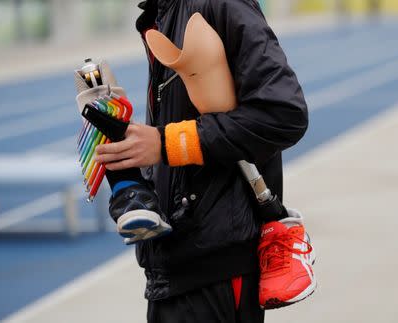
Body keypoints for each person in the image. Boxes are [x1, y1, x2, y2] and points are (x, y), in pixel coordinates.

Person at [95, 0, 314, 321]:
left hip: (216, 271)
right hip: (175, 268)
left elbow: (283, 113)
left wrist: (166, 143)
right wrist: (135, 180)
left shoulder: (218, 3)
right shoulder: (164, 12)